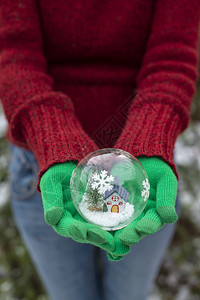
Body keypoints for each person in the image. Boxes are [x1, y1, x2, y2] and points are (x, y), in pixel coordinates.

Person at [0, 0, 199, 299]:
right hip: (45, 172)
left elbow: (171, 57)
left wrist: (148, 139)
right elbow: (14, 57)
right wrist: (55, 138)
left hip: (140, 174)